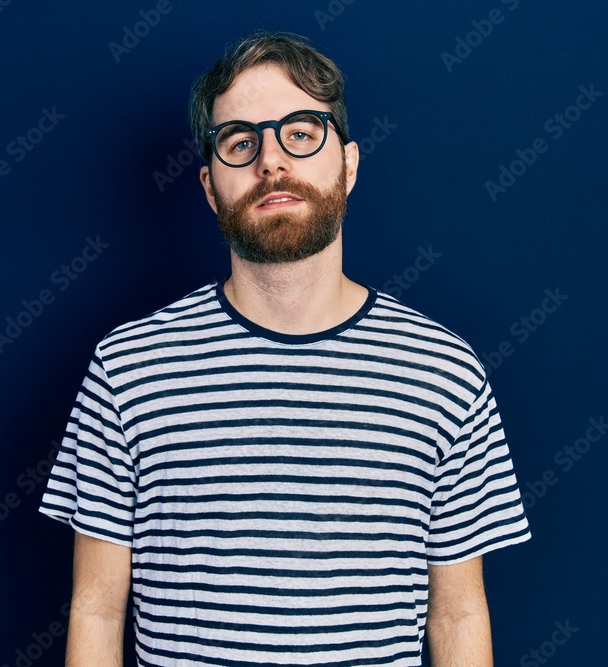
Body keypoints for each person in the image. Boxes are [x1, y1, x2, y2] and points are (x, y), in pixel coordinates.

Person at [39, 30, 531, 667]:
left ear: (349, 165)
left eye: (301, 132)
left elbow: (459, 613)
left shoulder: (444, 372)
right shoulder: (127, 368)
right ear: (212, 187)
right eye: (240, 142)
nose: (271, 160)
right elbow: (97, 609)